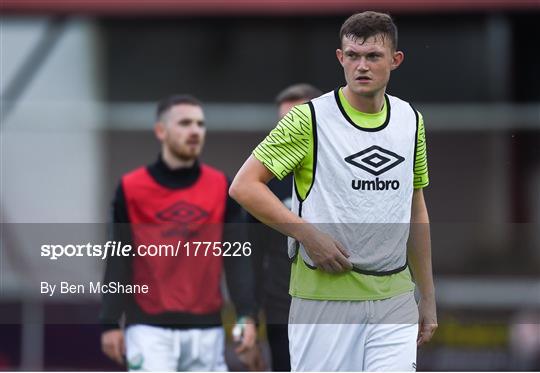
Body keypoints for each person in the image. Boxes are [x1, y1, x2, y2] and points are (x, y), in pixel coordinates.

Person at [230, 11, 437, 371]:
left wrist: (428, 298)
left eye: (373, 56)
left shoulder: (411, 120)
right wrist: (308, 234)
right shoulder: (306, 119)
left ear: (395, 60)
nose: (362, 66)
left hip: (395, 299)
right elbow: (244, 186)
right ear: (340, 58)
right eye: (353, 56)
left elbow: (415, 208)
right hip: (323, 301)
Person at [99, 94, 257, 371]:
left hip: (207, 331)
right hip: (148, 331)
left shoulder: (223, 187)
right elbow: (118, 258)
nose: (195, 131)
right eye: (185, 123)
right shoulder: (131, 188)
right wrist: (110, 322)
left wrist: (247, 315)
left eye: (200, 124)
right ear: (161, 131)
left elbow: (237, 259)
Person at [248, 84, 322, 371]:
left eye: (297, 122)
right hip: (283, 308)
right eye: (283, 124)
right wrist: (249, 319)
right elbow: (250, 255)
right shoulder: (260, 182)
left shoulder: (346, 172)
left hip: (340, 304)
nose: (288, 133)